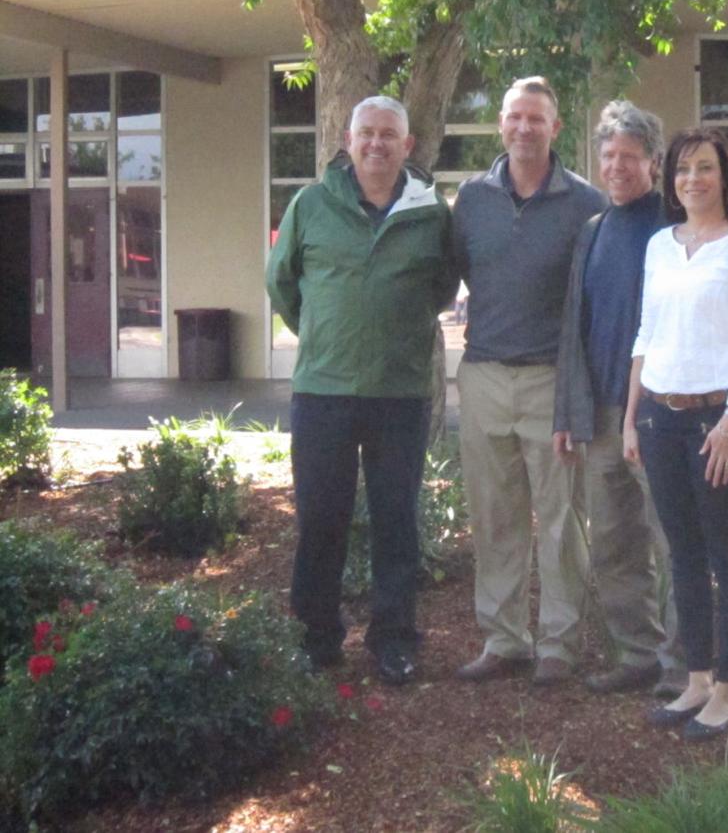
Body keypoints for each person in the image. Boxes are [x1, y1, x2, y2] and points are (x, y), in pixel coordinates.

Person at [265, 95, 456, 686]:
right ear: (347, 142)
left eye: (388, 135)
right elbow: (282, 283)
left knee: (396, 519)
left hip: (399, 394)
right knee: (322, 517)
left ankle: (393, 638)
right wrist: (327, 335)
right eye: (366, 134)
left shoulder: (431, 214)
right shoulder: (311, 204)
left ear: (408, 146)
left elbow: (443, 290)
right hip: (323, 391)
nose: (377, 144)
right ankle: (316, 636)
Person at [623, 127, 728, 740]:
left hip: (720, 425)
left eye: (706, 168)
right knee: (682, 556)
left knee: (727, 555)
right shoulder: (661, 245)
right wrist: (632, 417)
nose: (694, 179)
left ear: (726, 176)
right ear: (671, 180)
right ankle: (696, 679)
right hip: (661, 417)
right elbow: (645, 335)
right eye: (684, 169)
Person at [453, 76, 605, 688]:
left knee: (562, 518)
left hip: (551, 381)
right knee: (494, 516)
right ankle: (503, 638)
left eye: (536, 119)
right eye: (514, 116)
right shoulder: (470, 199)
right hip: (484, 374)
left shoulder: (585, 203)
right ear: (500, 124)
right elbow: (460, 273)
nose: (523, 128)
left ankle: (560, 643)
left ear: (555, 128)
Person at [553, 100, 684, 698]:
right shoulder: (593, 232)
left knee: (676, 542)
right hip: (603, 418)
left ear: (653, 163)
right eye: (608, 155)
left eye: (629, 156)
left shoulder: (676, 228)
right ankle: (636, 656)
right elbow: (573, 331)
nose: (616, 166)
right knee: (614, 547)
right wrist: (568, 415)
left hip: (664, 416)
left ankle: (686, 664)